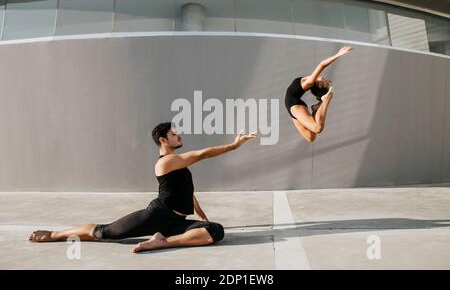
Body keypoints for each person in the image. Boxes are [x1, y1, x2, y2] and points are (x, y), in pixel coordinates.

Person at [28, 122, 256, 253]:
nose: (179, 136)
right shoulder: (166, 161)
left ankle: (161, 242)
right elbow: (203, 154)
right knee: (105, 233)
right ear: (163, 141)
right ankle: (55, 234)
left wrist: (202, 215)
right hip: (156, 216)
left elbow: (186, 190)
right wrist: (234, 146)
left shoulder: (177, 163)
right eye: (174, 134)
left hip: (174, 222)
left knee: (214, 231)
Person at [284, 46, 353, 142]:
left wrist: (338, 54)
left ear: (319, 85)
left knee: (317, 129)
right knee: (311, 137)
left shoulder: (310, 82)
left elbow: (322, 65)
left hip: (294, 105)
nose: (325, 79)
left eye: (325, 82)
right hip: (291, 105)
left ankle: (326, 100)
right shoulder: (307, 81)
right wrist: (325, 83)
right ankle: (317, 107)